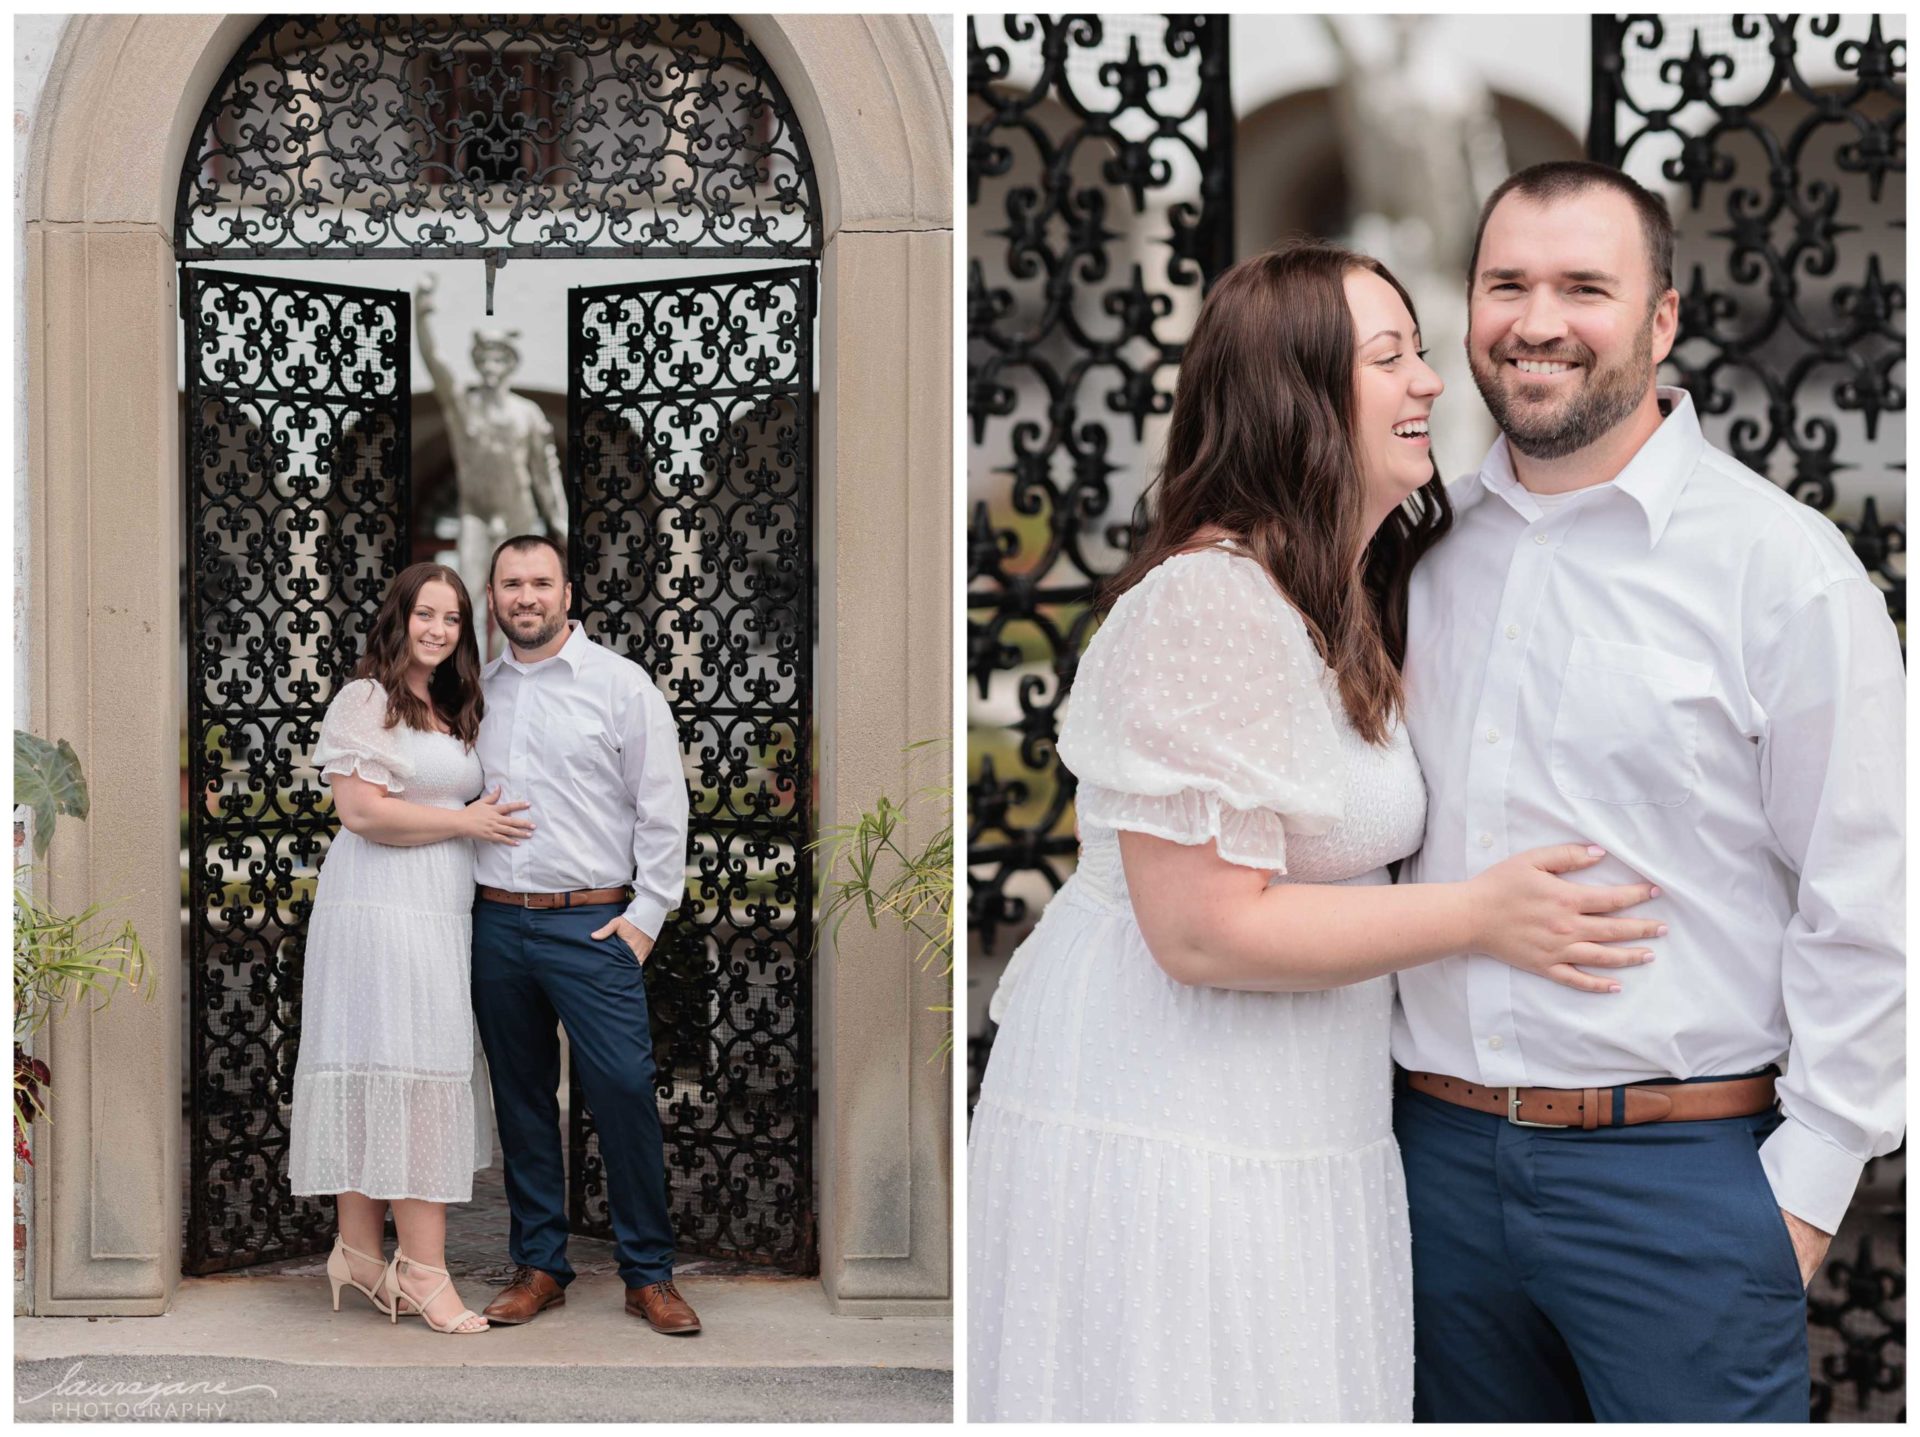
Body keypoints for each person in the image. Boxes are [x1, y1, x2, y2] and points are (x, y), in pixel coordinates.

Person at [968, 243, 1666, 1421]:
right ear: (1294, 396)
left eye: (1421, 353)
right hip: (1174, 1109)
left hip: (1301, 1113)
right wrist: (1486, 916)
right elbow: (1199, 931)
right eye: (1389, 357)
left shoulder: (1340, 593)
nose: (1431, 384)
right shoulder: (1209, 602)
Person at [1394, 161, 1905, 1422]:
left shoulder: (1783, 571)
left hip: (1681, 1183)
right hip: (1427, 1174)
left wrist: (1802, 1194)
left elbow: (1873, 893)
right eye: (1506, 283)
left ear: (1662, 320)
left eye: (1585, 287)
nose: (1538, 321)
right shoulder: (1412, 553)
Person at [289, 561, 537, 1335]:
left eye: (453, 618)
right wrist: (468, 822)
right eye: (424, 613)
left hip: (435, 907)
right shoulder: (366, 698)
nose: (437, 629)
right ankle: (425, 1273)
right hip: (376, 905)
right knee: (407, 1072)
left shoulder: (451, 702)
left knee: (398, 1067)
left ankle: (362, 1254)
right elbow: (362, 812)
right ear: (398, 618)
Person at [468, 534, 700, 1335]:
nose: (525, 596)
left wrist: (643, 921)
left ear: (568, 592)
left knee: (625, 1092)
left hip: (590, 922)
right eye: (510, 583)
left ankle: (648, 1273)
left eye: (540, 582)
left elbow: (663, 808)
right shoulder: (476, 690)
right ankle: (540, 1265)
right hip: (496, 921)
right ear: (492, 595)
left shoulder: (621, 686)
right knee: (522, 1101)